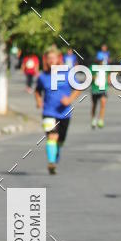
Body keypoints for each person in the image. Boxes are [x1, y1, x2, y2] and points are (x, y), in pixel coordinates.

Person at [35, 45, 80, 175]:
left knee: (60, 140)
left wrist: (69, 99)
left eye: (53, 58)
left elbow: (78, 88)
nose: (51, 61)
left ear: (59, 59)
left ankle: (56, 153)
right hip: (48, 112)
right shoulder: (43, 76)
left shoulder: (67, 73)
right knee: (52, 136)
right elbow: (38, 91)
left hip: (64, 113)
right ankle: (51, 162)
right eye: (48, 58)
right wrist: (38, 101)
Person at [90, 53, 107, 128]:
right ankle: (93, 119)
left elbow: (108, 75)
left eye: (101, 60)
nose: (100, 61)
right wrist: (95, 76)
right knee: (94, 105)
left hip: (103, 88)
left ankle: (101, 120)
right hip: (95, 89)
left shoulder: (105, 67)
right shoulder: (93, 67)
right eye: (99, 60)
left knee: (103, 103)